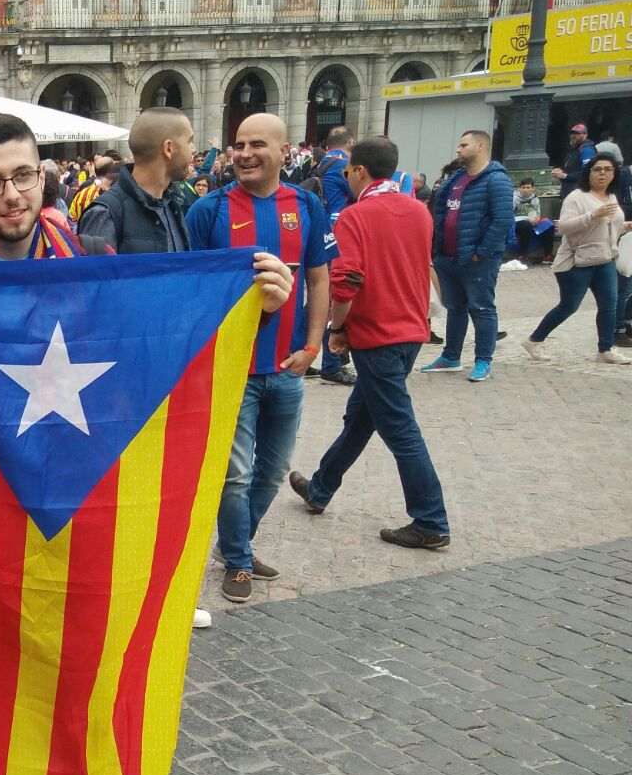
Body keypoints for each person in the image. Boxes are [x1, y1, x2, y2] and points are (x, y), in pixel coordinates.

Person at [0, 112, 291, 775]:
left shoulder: (95, 260)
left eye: (24, 174)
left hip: (88, 483)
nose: (12, 194)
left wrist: (247, 303)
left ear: (42, 175)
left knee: (83, 644)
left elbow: (160, 344)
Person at [77, 106, 297, 631]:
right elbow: (94, 304)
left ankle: (166, 595)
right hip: (123, 388)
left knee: (171, 497)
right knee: (125, 505)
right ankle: (119, 602)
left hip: (172, 378)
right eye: (192, 140)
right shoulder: (108, 213)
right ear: (170, 149)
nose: (199, 149)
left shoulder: (176, 206)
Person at [185, 113, 335, 604]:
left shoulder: (308, 205)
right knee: (237, 473)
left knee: (272, 472)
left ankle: (235, 547)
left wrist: (312, 346)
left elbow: (318, 278)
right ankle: (240, 561)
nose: (245, 153)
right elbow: (193, 292)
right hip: (234, 371)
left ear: (283, 150)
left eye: (256, 145)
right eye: (238, 145)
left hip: (288, 368)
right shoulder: (208, 211)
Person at [286, 135, 450, 550]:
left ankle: (430, 518)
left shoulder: (357, 216)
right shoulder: (419, 211)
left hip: (378, 334)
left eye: (348, 172)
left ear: (359, 171)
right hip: (411, 332)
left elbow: (347, 281)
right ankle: (321, 487)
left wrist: (337, 329)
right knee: (362, 418)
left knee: (399, 427)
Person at [521, 154, 632, 366]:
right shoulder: (577, 197)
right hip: (576, 262)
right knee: (568, 306)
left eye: (607, 169)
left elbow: (610, 226)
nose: (602, 174)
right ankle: (534, 340)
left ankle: (605, 349)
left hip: (605, 259)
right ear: (588, 173)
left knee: (610, 304)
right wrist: (593, 215)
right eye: (597, 169)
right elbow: (563, 227)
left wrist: (625, 226)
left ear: (614, 173)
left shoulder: (611, 197)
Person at [424, 130, 513, 383]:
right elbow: (440, 214)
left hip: (477, 260)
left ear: (481, 146)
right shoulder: (456, 179)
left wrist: (482, 252)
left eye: (464, 145)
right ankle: (451, 356)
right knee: (455, 308)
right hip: (448, 257)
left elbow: (502, 220)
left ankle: (483, 359)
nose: (458, 150)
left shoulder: (497, 180)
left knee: (482, 307)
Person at [309, 127, 357, 388]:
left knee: (315, 300)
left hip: (321, 232)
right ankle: (332, 363)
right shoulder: (344, 165)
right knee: (333, 298)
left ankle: (298, 350)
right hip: (339, 233)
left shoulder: (320, 163)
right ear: (349, 143)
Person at [512, 178, 553, 265]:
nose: (525, 190)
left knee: (548, 225)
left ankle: (547, 255)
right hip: (517, 222)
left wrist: (537, 219)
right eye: (523, 187)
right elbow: (509, 214)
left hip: (533, 221)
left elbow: (538, 213)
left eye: (528, 187)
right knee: (526, 225)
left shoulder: (535, 199)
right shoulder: (513, 198)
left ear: (533, 188)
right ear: (519, 188)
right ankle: (523, 255)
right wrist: (526, 219)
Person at [551, 123, 596, 187]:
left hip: (579, 189)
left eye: (578, 133)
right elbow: (573, 168)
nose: (573, 136)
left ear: (585, 135)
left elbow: (587, 172)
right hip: (569, 188)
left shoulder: (587, 150)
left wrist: (565, 176)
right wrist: (561, 171)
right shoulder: (575, 149)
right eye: (572, 133)